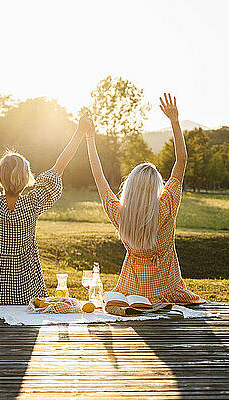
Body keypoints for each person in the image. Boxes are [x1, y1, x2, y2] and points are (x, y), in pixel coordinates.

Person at [0, 94, 85, 305]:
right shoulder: (33, 204)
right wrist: (79, 132)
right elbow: (61, 164)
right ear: (26, 179)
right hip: (29, 295)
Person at [83, 93, 204, 305]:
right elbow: (181, 160)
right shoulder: (166, 207)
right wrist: (174, 121)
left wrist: (90, 138)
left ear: (129, 188)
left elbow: (97, 175)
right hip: (168, 295)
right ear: (156, 187)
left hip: (132, 298)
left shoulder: (120, 214)